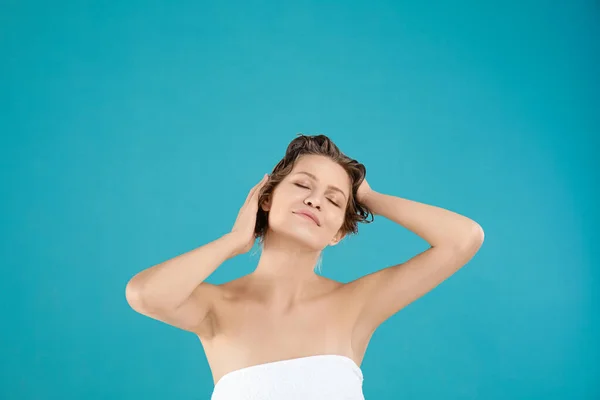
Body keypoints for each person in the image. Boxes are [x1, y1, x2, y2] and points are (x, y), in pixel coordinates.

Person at [125, 134, 485, 399]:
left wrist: (366, 197)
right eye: (302, 185)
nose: (315, 200)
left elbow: (463, 238)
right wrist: (234, 241)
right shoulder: (216, 307)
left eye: (332, 200)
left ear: (337, 234)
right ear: (265, 200)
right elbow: (144, 294)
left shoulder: (357, 304)